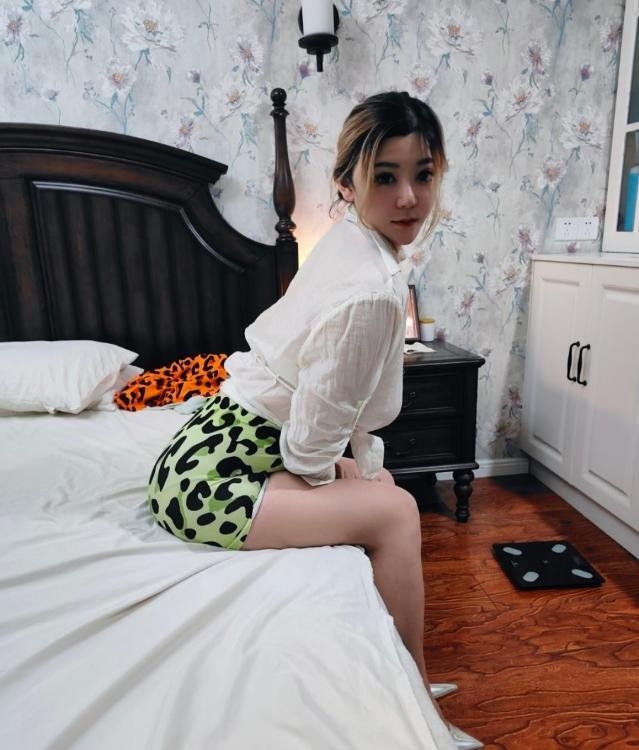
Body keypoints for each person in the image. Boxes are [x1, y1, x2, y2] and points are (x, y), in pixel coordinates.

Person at [148, 91, 481, 750]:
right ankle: (415, 691)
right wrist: (337, 470)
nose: (408, 197)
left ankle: (401, 670)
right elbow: (306, 444)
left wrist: (345, 467)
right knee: (396, 511)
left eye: (422, 174)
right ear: (346, 183)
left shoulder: (351, 244)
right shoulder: (371, 291)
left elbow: (317, 418)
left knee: (379, 488)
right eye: (385, 177)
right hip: (211, 484)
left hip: (205, 450)